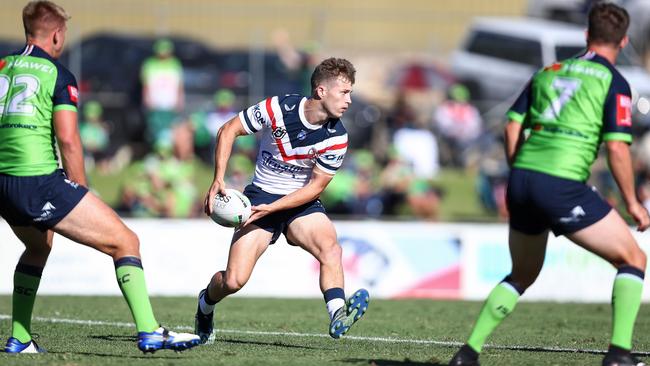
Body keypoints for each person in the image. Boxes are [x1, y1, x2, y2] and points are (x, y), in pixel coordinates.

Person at [449, 3, 649, 366]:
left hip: (522, 180)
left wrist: (520, 169)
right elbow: (618, 148)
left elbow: (512, 124)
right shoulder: (614, 82)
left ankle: (468, 354)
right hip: (560, 184)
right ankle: (619, 355)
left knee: (522, 274)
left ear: (586, 36)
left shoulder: (547, 72)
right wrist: (633, 202)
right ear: (622, 42)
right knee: (633, 259)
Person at [0, 1, 199, 353]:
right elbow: (68, 138)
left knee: (37, 247)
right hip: (37, 180)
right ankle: (150, 330)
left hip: (3, 183)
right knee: (125, 241)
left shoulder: (3, 67)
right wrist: (79, 189)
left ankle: (19, 338)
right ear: (58, 34)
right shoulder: (57, 74)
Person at [195, 57, 369, 344]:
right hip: (260, 194)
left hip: (299, 202)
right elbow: (229, 130)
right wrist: (218, 180)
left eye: (350, 93)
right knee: (233, 281)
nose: (349, 100)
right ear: (321, 91)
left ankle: (338, 313)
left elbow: (315, 188)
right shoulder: (278, 108)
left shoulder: (337, 136)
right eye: (344, 92)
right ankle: (205, 305)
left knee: (330, 248)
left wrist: (275, 208)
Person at [140, 38, 184, 147]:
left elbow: (179, 84)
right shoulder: (150, 64)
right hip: (155, 103)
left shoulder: (175, 63)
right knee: (154, 130)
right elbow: (146, 84)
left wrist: (180, 100)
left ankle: (169, 153)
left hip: (170, 104)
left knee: (170, 129)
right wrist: (146, 99)